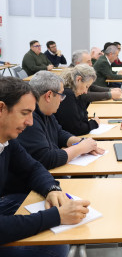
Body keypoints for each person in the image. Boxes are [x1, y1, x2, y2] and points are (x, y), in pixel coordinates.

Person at [0, 77, 90, 255]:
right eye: (24, 113)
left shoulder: (8, 140)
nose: (30, 122)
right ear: (1, 108)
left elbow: (33, 168)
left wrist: (52, 189)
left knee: (50, 221)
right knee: (52, 247)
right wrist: (56, 216)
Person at [16, 71, 104, 171]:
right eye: (61, 94)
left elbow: (59, 133)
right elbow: (46, 158)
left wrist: (81, 142)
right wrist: (80, 149)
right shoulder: (29, 120)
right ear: (48, 96)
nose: (62, 100)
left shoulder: (46, 112)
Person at [54, 64, 100, 136]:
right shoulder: (67, 94)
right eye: (86, 86)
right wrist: (94, 123)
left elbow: (83, 120)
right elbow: (76, 129)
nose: (86, 91)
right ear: (78, 79)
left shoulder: (76, 93)